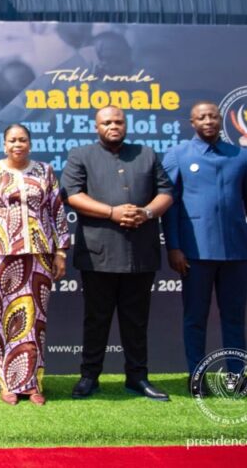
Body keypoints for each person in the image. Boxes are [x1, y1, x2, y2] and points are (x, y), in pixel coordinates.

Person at [61, 107, 174, 401]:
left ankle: (137, 377)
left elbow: (166, 193)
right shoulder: (80, 155)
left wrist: (146, 212)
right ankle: (89, 376)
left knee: (136, 320)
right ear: (96, 126)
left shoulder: (146, 154)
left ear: (126, 124)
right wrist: (113, 212)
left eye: (118, 121)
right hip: (99, 253)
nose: (114, 126)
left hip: (140, 252)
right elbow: (72, 195)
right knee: (96, 318)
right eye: (107, 122)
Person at [162, 101, 247, 397]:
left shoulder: (240, 156)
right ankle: (198, 379)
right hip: (195, 252)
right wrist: (174, 247)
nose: (208, 120)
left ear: (221, 120)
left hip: (237, 251)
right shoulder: (178, 154)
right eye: (201, 117)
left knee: (234, 318)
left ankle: (238, 379)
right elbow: (169, 207)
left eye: (213, 116)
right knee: (195, 318)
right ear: (192, 123)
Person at [0, 124, 70, 405]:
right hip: (4, 254)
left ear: (30, 143)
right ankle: (8, 382)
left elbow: (56, 212)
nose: (18, 144)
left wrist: (61, 252)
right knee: (6, 317)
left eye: (23, 140)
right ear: (4, 144)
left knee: (36, 319)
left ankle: (33, 384)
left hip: (40, 254)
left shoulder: (45, 171)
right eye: (12, 140)